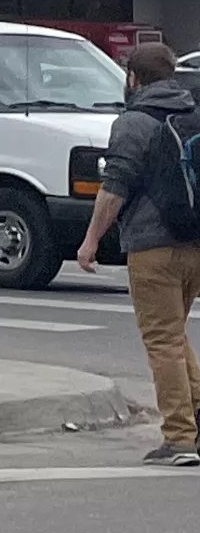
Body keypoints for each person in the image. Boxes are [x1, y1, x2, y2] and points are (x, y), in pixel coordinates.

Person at [75, 41, 200, 465]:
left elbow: (115, 188)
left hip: (153, 246)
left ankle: (180, 438)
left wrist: (91, 240)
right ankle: (196, 421)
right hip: (195, 243)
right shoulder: (193, 114)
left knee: (163, 340)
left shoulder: (134, 122)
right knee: (175, 335)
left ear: (133, 78)